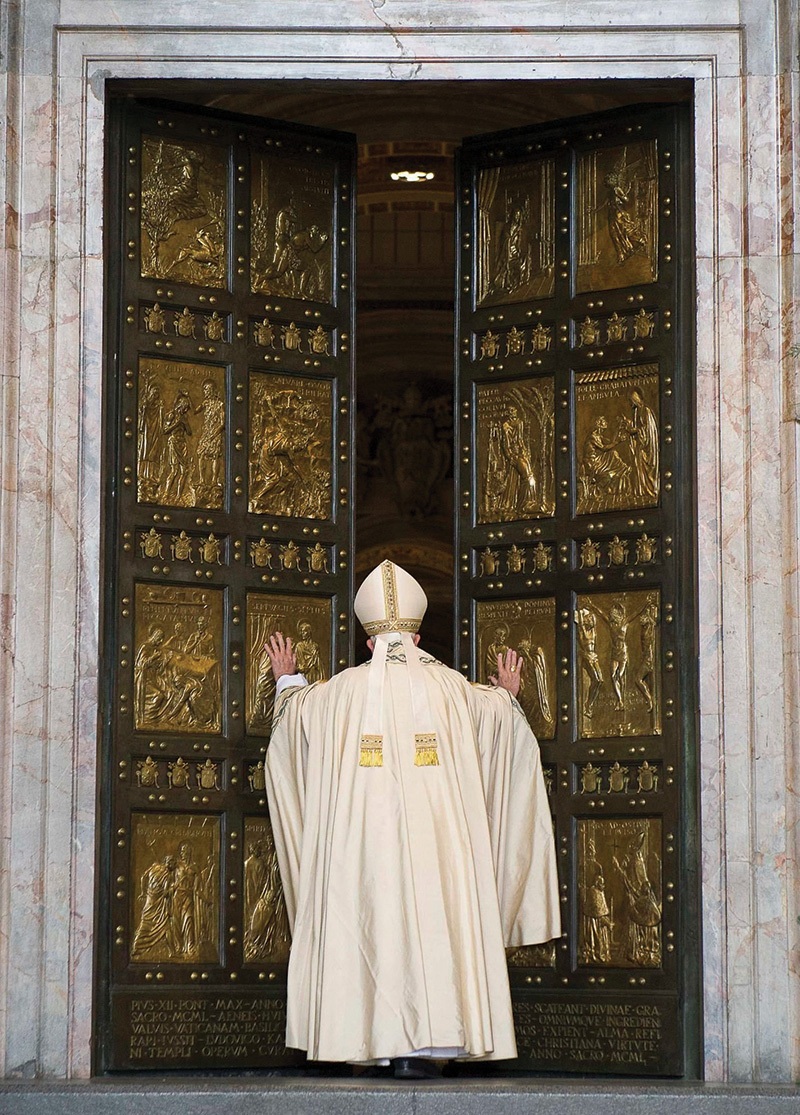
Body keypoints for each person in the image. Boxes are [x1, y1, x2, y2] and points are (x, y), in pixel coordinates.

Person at [264, 560, 560, 1075]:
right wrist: (508, 694)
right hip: (438, 853)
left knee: (366, 919)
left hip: (363, 853)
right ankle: (430, 1046)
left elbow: (293, 717)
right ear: (418, 637)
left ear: (368, 642)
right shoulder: (456, 690)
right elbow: (500, 721)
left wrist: (287, 677)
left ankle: (361, 1039)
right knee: (438, 918)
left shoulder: (337, 694)